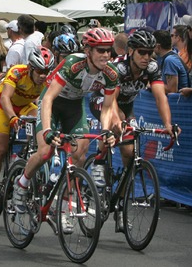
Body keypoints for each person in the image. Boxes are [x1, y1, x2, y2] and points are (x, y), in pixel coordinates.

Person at [12, 28, 119, 228]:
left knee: (81, 150)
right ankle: (22, 183)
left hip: (74, 106)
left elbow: (107, 108)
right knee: (45, 150)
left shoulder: (111, 73)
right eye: (100, 50)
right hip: (52, 102)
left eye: (109, 50)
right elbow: (49, 98)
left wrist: (105, 131)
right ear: (88, 51)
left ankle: (60, 205)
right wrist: (47, 131)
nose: (106, 55)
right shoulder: (73, 64)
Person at [89, 29, 177, 231]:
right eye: (142, 53)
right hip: (103, 100)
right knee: (114, 126)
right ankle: (99, 161)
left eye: (149, 53)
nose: (147, 57)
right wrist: (121, 122)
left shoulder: (152, 67)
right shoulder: (119, 68)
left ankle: (120, 204)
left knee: (129, 153)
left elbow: (160, 97)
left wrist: (168, 125)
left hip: (126, 105)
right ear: (131, 51)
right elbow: (112, 105)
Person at [0, 47, 54, 217]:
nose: (43, 75)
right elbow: (5, 97)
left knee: (41, 139)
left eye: (46, 71)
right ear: (30, 67)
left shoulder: (49, 80)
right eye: (39, 71)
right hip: (3, 105)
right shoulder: (17, 72)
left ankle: (23, 159)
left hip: (26, 106)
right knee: (0, 149)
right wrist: (13, 118)